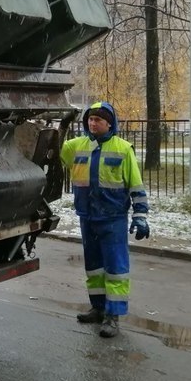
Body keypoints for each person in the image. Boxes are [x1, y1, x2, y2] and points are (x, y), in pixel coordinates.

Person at [60, 101, 149, 338]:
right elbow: (55, 145)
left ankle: (113, 316)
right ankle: (98, 308)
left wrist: (140, 216)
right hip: (87, 216)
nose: (92, 123)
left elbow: (136, 184)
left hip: (113, 217)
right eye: (90, 119)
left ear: (109, 123)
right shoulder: (77, 146)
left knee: (116, 269)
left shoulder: (123, 149)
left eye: (98, 119)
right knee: (94, 267)